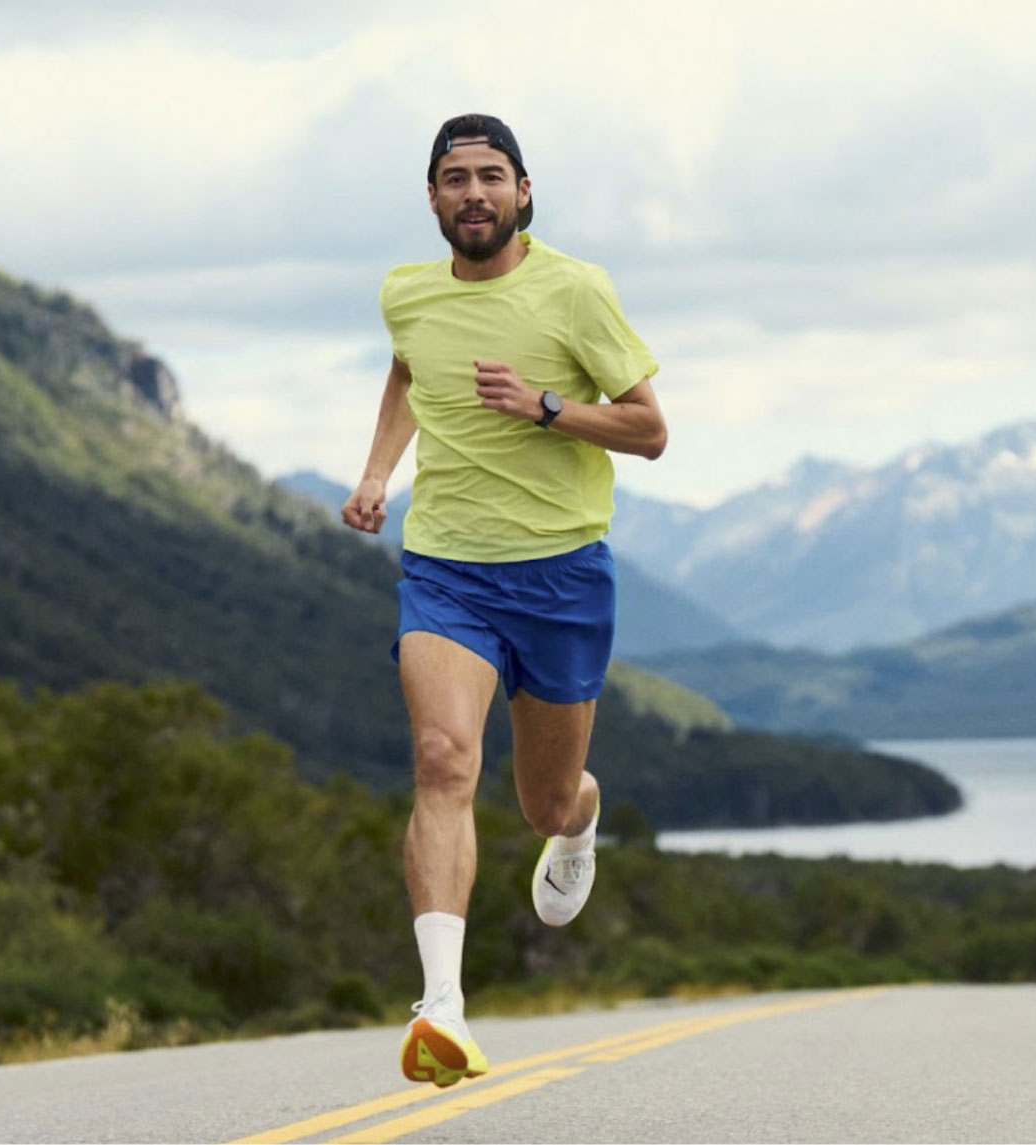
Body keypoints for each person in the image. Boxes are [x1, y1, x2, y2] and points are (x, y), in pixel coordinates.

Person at [338, 113, 665, 1089]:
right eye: (454, 178)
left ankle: (581, 815)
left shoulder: (576, 290)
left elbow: (649, 429)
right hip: (446, 570)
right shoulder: (406, 293)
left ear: (524, 192)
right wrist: (376, 473)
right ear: (432, 200)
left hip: (562, 575)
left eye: (491, 175)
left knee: (543, 798)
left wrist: (547, 407)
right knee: (442, 760)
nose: (472, 192)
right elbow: (409, 367)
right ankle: (442, 1005)